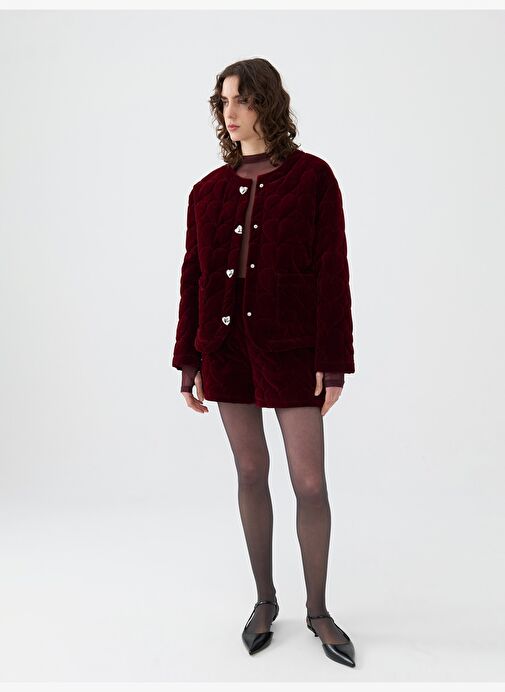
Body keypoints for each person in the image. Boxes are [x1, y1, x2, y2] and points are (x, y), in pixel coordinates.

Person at [171, 58, 356, 668]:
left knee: (310, 482)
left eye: (243, 99)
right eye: (223, 101)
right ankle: (264, 600)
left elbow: (332, 271)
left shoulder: (313, 178)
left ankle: (319, 610)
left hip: (293, 349)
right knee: (251, 472)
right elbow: (194, 277)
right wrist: (188, 360)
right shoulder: (207, 191)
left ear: (268, 103)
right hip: (225, 351)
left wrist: (333, 362)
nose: (231, 111)